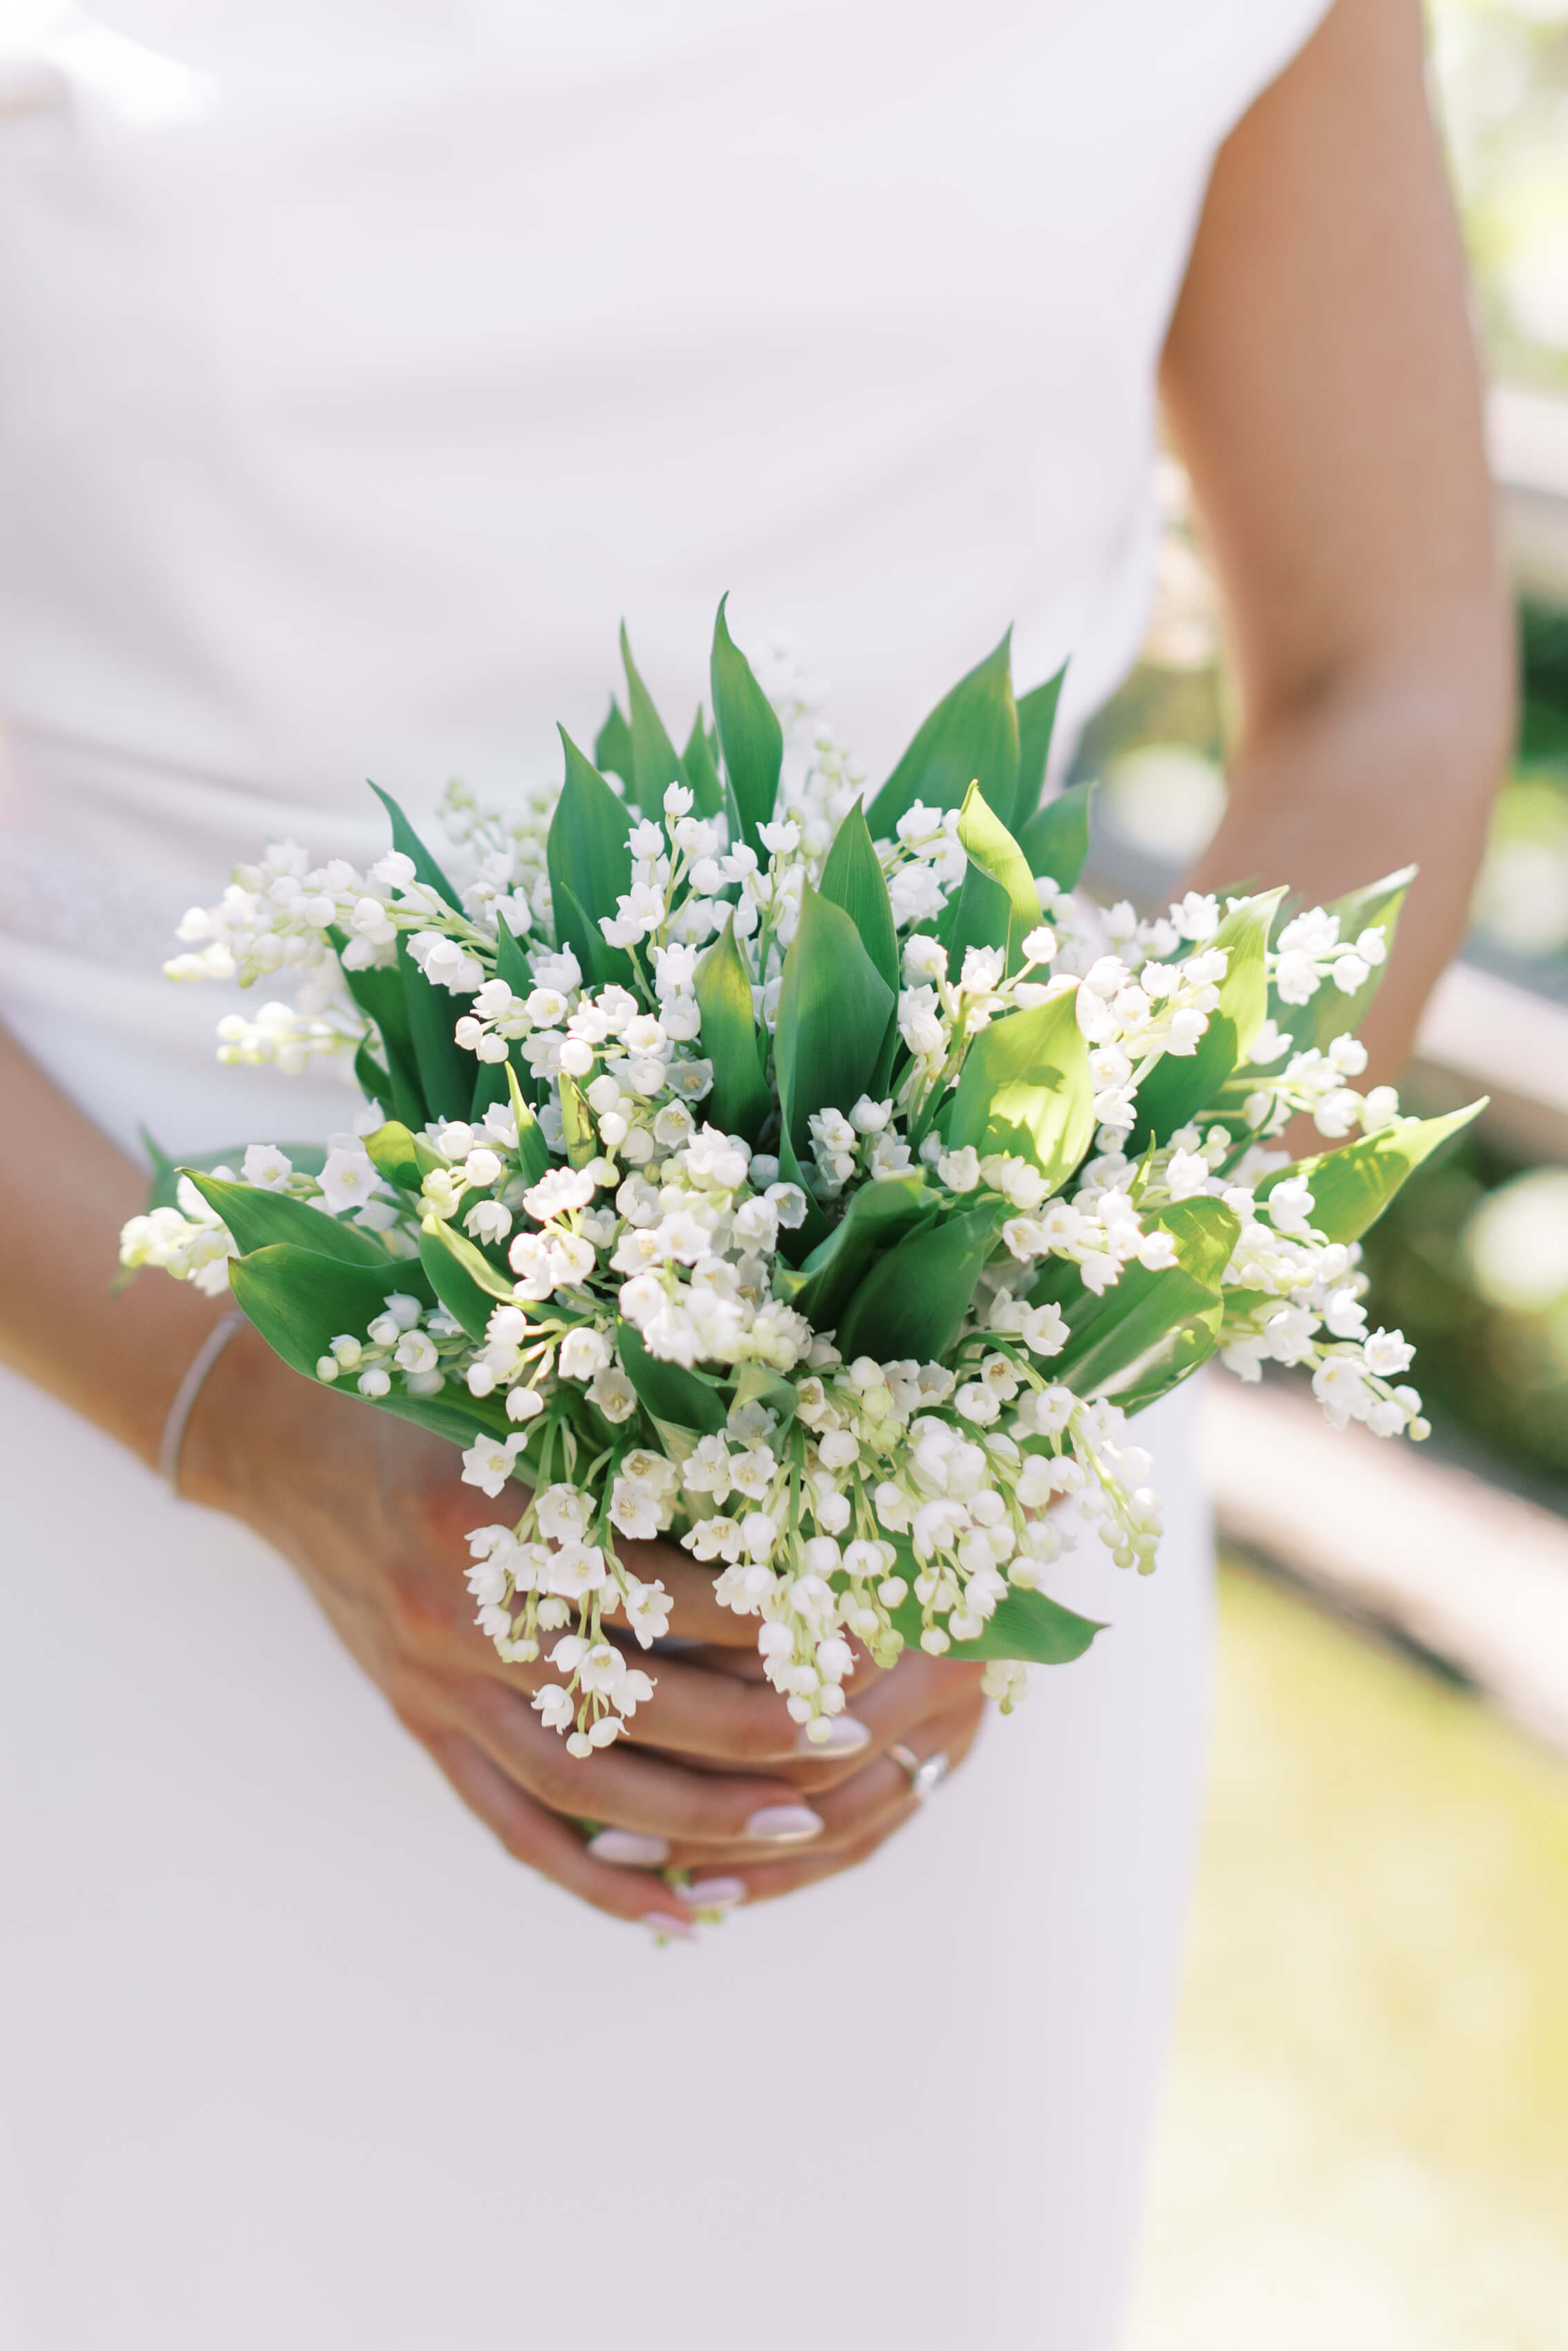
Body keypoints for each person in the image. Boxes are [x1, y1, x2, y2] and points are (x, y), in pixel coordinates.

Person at [0, 2, 1509, 2344]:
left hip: (900, 1601)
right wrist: (245, 1411)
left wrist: (1028, 1384)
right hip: (67, 1442)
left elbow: (1382, 679)